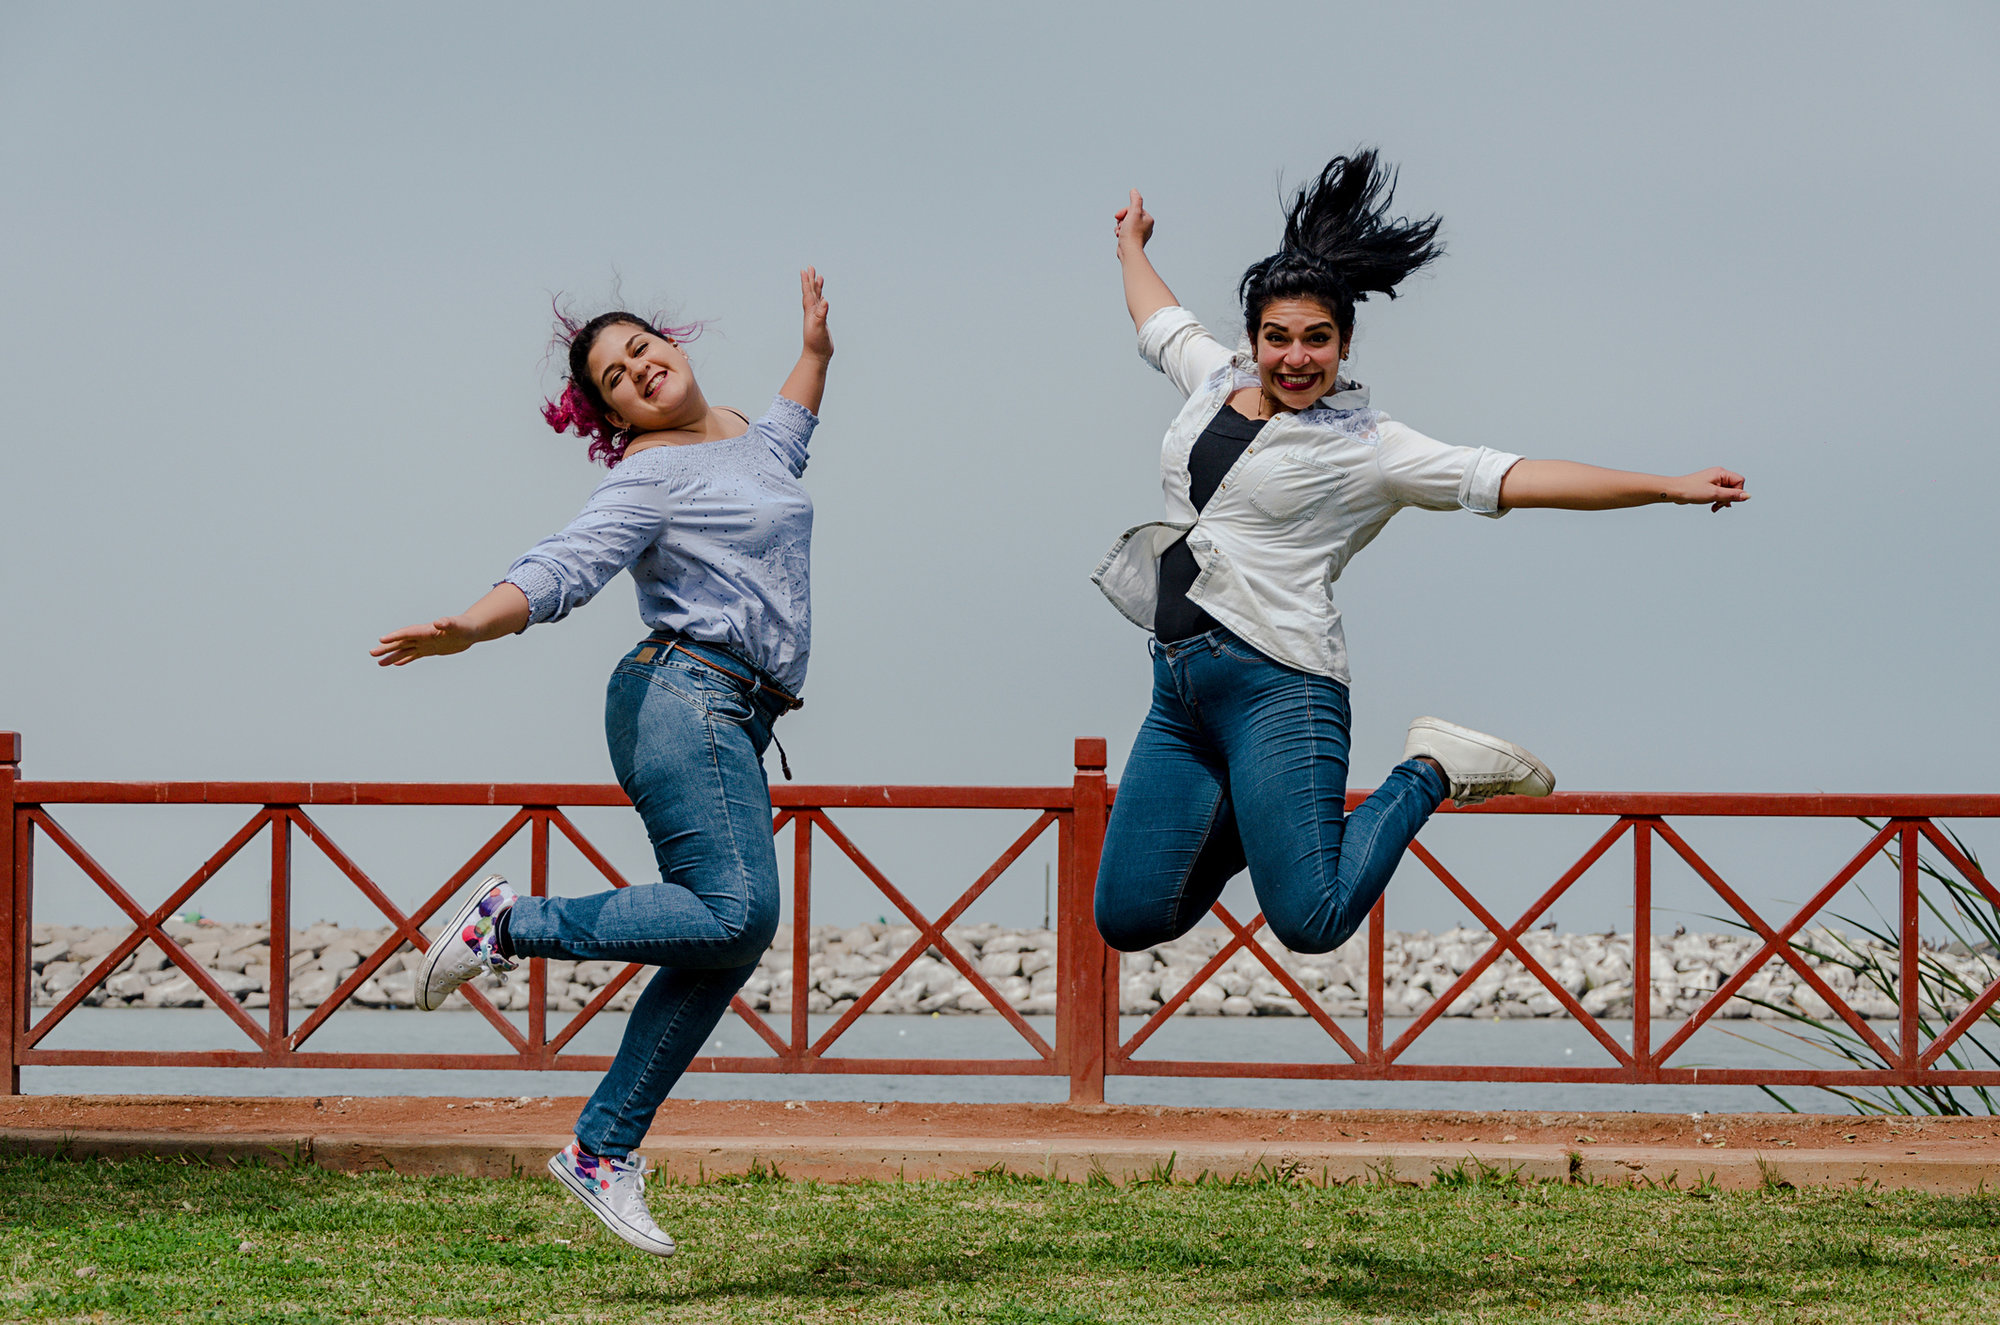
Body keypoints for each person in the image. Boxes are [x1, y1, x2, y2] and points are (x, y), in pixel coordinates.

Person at [1092, 151, 1746, 964]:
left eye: (1318, 341)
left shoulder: (1372, 447)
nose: (1297, 358)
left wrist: (1670, 487)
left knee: (1312, 917)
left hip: (1280, 687)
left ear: (1346, 342)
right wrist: (1132, 243)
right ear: (1253, 337)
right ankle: (1269, 820)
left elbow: (1519, 478)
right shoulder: (1210, 380)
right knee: (1128, 912)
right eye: (1279, 338)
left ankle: (1433, 765)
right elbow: (1157, 319)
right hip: (1182, 690)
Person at [371, 269, 833, 1257]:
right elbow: (564, 564)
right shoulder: (646, 475)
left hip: (734, 711)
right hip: (682, 695)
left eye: (641, 350)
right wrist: (469, 625)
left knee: (725, 935)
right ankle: (509, 922)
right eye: (618, 379)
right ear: (613, 414)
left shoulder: (745, 435)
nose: (639, 371)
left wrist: (818, 351)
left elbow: (789, 432)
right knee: (737, 910)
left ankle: (600, 1148)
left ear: (673, 343)